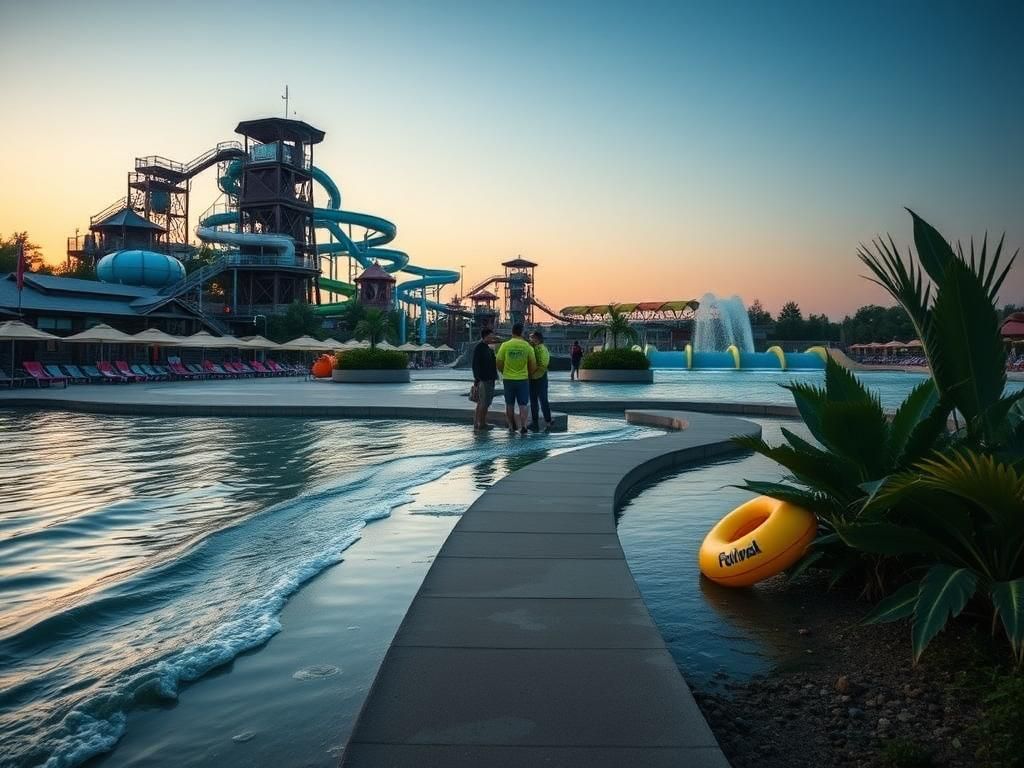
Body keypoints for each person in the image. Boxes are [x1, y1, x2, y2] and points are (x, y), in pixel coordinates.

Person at [495, 323, 536, 435]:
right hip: (523, 379)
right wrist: (529, 374)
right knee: (523, 404)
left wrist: (504, 372)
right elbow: (533, 364)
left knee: (509, 404)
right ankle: (524, 426)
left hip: (508, 379)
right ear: (522, 332)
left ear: (512, 332)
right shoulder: (527, 346)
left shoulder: (505, 345)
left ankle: (511, 427)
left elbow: (498, 362)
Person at [471, 327, 498, 431]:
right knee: (484, 402)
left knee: (481, 402)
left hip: (488, 378)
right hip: (485, 379)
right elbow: (475, 365)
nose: (493, 338)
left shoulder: (487, 347)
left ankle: (477, 422)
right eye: (491, 336)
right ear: (485, 337)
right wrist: (477, 378)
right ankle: (482, 423)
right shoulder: (480, 348)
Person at [528, 330, 553, 431]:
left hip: (537, 378)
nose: (531, 340)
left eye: (532, 338)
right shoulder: (543, 348)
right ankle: (547, 421)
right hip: (541, 377)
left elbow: (542, 364)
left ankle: (536, 423)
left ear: (537, 339)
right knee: (543, 400)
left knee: (535, 401)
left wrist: (533, 372)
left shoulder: (539, 349)